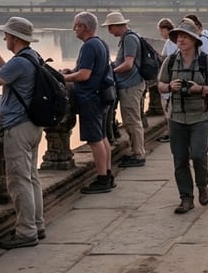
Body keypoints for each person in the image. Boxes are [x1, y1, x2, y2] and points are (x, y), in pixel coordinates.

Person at [0, 17, 47, 249]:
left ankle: (26, 232)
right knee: (31, 177)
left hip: (19, 126)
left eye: (6, 35)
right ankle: (37, 224)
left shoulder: (21, 62)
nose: (3, 38)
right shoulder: (31, 57)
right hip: (33, 125)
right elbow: (8, 74)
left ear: (15, 38)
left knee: (18, 181)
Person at [157, 20, 208, 214]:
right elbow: (160, 84)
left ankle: (202, 184)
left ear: (195, 40)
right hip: (175, 116)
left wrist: (200, 89)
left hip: (199, 117)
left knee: (198, 154)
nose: (181, 40)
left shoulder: (205, 61)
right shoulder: (170, 61)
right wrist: (170, 87)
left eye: (185, 37)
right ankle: (186, 197)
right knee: (180, 158)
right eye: (179, 37)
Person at [61, 11, 115, 194]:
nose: (74, 29)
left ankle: (102, 179)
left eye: (76, 25)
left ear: (84, 27)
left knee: (95, 140)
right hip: (100, 96)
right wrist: (72, 71)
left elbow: (85, 75)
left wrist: (65, 78)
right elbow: (86, 69)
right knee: (102, 137)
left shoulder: (89, 47)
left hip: (90, 98)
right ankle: (107, 174)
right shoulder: (101, 44)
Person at [103, 11, 147, 169]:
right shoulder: (127, 38)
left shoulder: (129, 38)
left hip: (131, 84)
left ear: (117, 25)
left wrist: (111, 71)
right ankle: (136, 151)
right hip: (128, 84)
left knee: (132, 120)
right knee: (131, 120)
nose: (109, 31)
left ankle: (139, 154)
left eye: (110, 27)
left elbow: (128, 64)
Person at [155, 17, 177, 143]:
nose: (161, 34)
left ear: (166, 30)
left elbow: (164, 59)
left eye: (161, 31)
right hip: (173, 77)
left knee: (168, 107)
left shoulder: (170, 42)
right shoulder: (175, 41)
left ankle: (171, 133)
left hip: (169, 79)